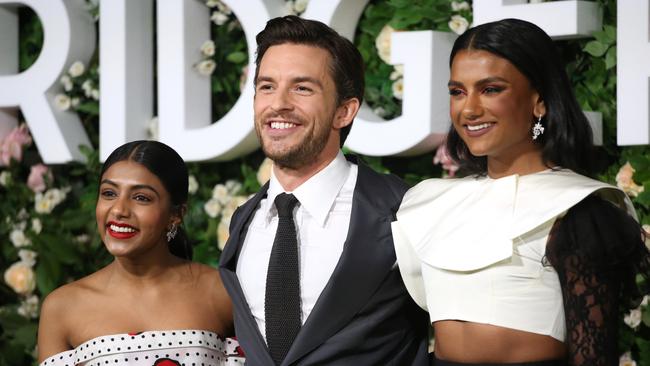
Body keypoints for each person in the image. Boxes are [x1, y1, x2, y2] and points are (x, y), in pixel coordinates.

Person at [392, 18, 650, 365]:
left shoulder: (578, 209)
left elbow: (593, 358)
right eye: (457, 91)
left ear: (539, 101)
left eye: (491, 89)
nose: (468, 109)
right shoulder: (433, 201)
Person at [219, 15, 429, 366]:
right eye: (267, 86)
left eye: (302, 88)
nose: (278, 103)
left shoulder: (401, 209)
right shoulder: (243, 221)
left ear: (344, 111)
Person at [38, 141, 244, 365]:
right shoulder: (62, 307)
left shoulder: (221, 290)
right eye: (109, 193)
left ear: (176, 214)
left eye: (141, 198)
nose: (118, 210)